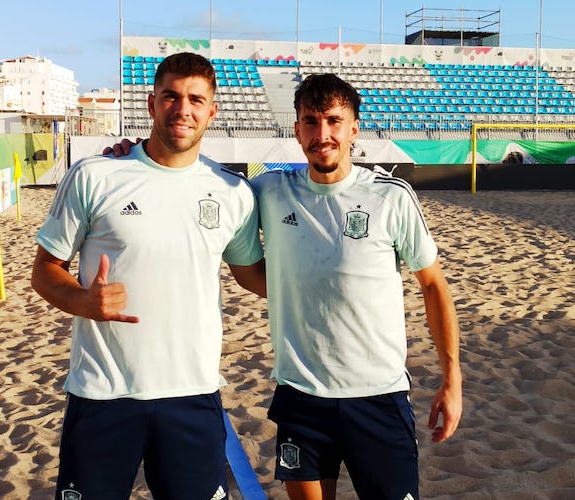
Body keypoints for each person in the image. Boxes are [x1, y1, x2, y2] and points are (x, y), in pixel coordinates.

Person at [108, 72, 462, 500]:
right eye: (311, 122)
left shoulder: (391, 197)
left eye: (334, 121)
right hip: (301, 396)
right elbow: (192, 188)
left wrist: (451, 380)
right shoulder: (268, 192)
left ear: (354, 128)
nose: (323, 134)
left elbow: (434, 288)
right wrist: (130, 155)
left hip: (378, 395)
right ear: (296, 130)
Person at [31, 52, 265, 499]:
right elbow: (45, 271)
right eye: (171, 96)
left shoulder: (232, 191)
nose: (183, 109)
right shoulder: (95, 175)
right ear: (151, 103)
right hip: (103, 395)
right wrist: (82, 302)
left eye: (196, 99)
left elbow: (252, 274)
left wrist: (330, 282)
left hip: (193, 395)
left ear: (212, 111)